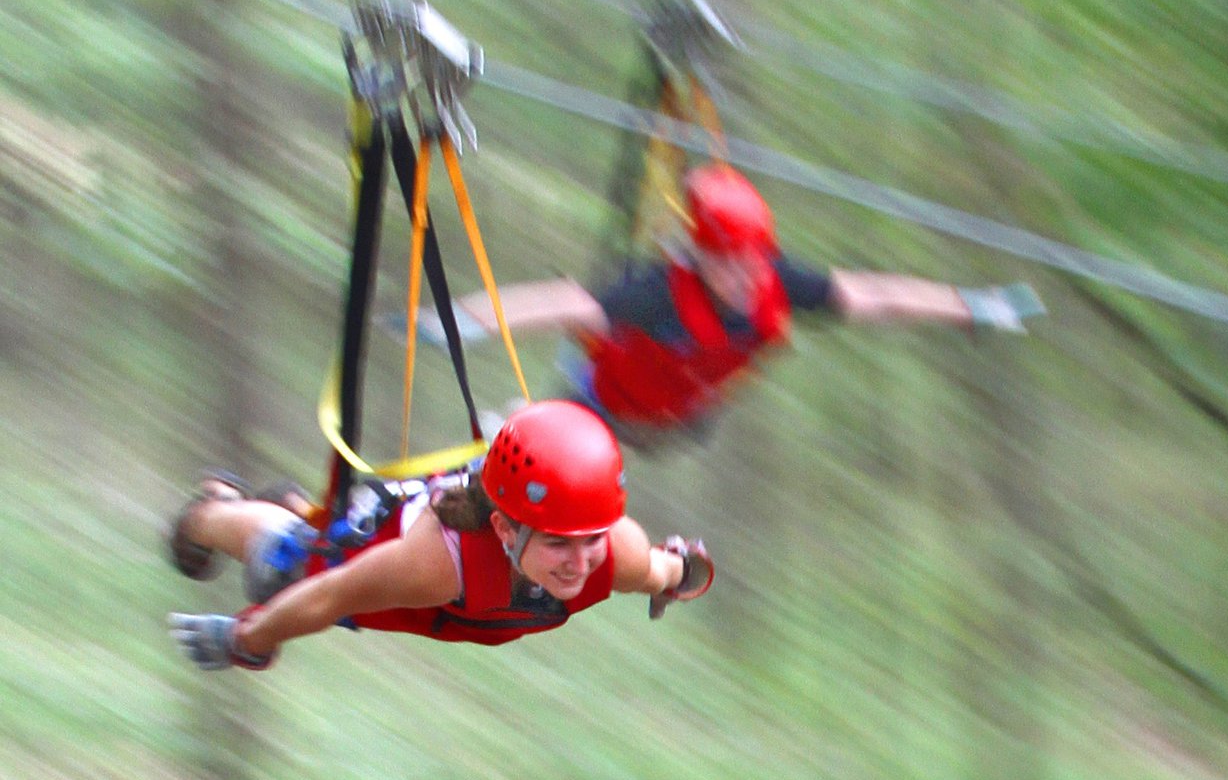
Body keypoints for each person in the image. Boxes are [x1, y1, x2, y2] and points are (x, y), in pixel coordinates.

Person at [422, 163, 1045, 446]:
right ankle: (505, 428)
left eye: (750, 260)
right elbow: (564, 301)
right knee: (539, 451)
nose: (743, 276)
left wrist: (973, 307)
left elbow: (877, 294)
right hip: (602, 402)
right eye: (726, 263)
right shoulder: (659, 289)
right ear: (699, 255)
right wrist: (461, 321)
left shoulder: (780, 281)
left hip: (680, 420)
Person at [166, 400, 714, 671]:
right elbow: (331, 594)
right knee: (277, 573)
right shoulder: (436, 565)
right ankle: (212, 509)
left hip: (414, 564)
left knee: (293, 559)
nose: (579, 562)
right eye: (557, 543)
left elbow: (663, 570)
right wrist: (247, 641)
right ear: (504, 528)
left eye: (590, 538)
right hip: (369, 556)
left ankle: (289, 504)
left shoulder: (616, 553)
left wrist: (683, 572)